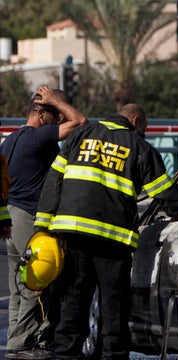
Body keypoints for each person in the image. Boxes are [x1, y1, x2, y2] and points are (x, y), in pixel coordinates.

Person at [33, 103, 178, 359]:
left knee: (74, 298)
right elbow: (164, 190)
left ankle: (66, 353)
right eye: (145, 128)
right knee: (113, 303)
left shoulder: (80, 136)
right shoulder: (139, 146)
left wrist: (43, 225)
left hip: (72, 233)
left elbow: (54, 180)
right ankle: (112, 354)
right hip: (112, 240)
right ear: (136, 121)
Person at [1, 86, 87, 360]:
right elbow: (80, 123)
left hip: (13, 217)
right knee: (36, 285)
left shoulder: (11, 141)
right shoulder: (38, 138)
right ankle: (26, 343)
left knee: (18, 285)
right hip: (27, 218)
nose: (59, 120)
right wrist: (55, 100)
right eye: (55, 114)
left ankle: (16, 342)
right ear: (40, 113)